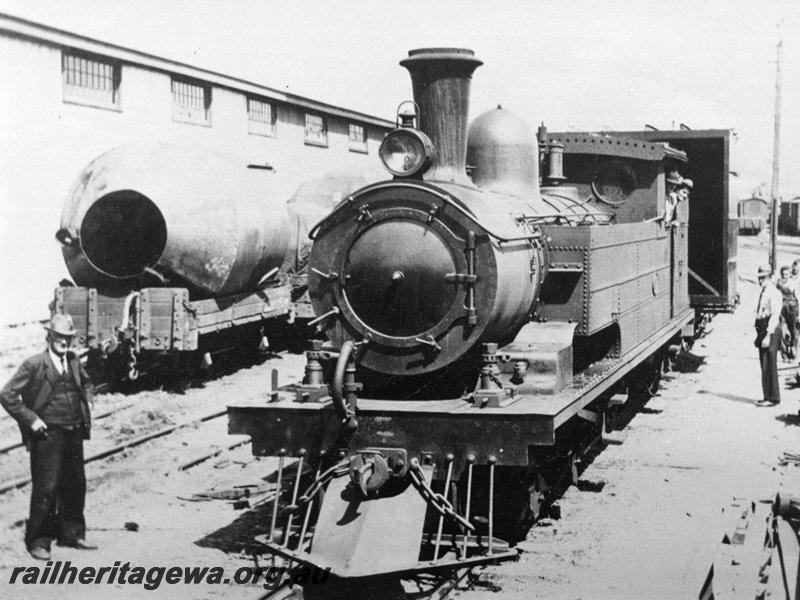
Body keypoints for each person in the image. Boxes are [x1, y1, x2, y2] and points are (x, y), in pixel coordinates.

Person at [0, 314, 97, 560]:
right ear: (49, 337)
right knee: (47, 487)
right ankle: (39, 541)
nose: (64, 342)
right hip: (47, 434)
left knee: (76, 484)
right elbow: (7, 394)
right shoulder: (34, 364)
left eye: (68, 338)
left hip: (74, 430)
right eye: (59, 337)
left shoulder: (74, 361)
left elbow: (87, 383)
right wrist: (32, 419)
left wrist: (89, 399)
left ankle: (72, 533)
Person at [754, 265, 783, 406]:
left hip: (770, 330)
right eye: (759, 278)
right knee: (764, 364)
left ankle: (773, 398)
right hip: (763, 328)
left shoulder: (774, 293)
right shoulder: (765, 291)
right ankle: (767, 396)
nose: (760, 281)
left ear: (769, 277)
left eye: (763, 278)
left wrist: (767, 335)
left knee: (769, 363)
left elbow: (775, 315)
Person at [776, 265, 799, 360]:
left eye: (786, 274)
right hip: (782, 309)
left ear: (789, 274)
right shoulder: (778, 284)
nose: (784, 276)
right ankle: (784, 353)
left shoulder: (793, 284)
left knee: (794, 332)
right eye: (783, 274)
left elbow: (798, 298)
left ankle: (793, 353)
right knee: (782, 331)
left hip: (792, 309)